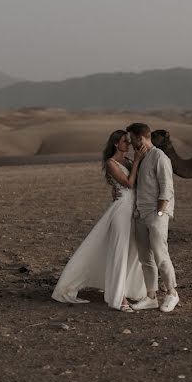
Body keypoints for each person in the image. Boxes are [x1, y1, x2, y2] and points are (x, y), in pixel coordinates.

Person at [52, 130, 149, 312]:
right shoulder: (111, 163)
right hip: (121, 211)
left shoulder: (127, 161)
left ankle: (128, 289)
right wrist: (136, 161)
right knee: (119, 251)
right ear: (115, 144)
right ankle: (119, 298)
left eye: (129, 142)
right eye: (124, 142)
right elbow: (128, 183)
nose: (128, 145)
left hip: (134, 210)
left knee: (133, 251)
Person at [126, 122, 179, 313]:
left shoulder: (159, 157)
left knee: (160, 255)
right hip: (140, 214)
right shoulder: (142, 158)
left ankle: (172, 293)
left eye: (132, 139)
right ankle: (151, 297)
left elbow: (167, 188)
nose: (131, 143)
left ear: (140, 138)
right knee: (145, 258)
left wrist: (159, 213)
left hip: (156, 214)